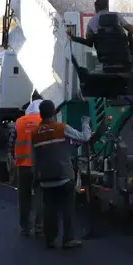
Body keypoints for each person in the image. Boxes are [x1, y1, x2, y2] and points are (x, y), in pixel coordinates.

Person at [30, 99, 97, 249]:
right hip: (64, 176)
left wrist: (35, 179)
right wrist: (86, 122)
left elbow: (35, 158)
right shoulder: (61, 128)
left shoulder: (35, 134)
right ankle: (68, 239)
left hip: (45, 177)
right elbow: (84, 137)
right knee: (67, 207)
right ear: (54, 112)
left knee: (49, 208)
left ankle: (50, 239)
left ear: (40, 114)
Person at [12, 101, 43, 237]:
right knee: (40, 197)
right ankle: (39, 227)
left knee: (23, 198)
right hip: (40, 167)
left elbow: (11, 143)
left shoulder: (19, 122)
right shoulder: (45, 121)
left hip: (23, 166)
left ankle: (25, 227)